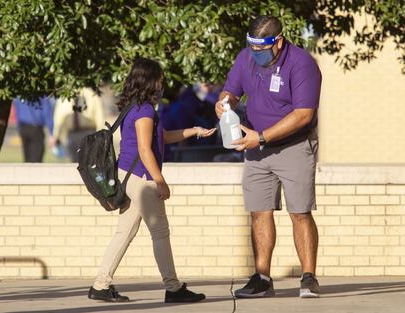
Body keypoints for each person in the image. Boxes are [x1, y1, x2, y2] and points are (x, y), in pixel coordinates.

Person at [88, 58, 215, 303]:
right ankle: (174, 288)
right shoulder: (145, 110)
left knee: (123, 232)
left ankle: (100, 286)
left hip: (127, 176)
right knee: (160, 232)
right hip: (142, 180)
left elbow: (161, 138)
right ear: (150, 80)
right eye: (160, 78)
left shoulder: (133, 107)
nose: (162, 82)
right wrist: (160, 181)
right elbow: (146, 150)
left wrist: (192, 131)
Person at [215, 16, 321, 298]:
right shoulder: (245, 58)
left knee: (299, 212)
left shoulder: (302, 64)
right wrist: (224, 103)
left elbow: (303, 114)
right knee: (259, 212)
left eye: (261, 50)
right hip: (256, 148)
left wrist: (262, 136)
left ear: (278, 42)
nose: (255, 55)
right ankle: (261, 277)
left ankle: (308, 277)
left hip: (294, 147)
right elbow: (231, 91)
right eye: (252, 49)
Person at [53, 87, 105, 162]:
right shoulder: (64, 95)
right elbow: (58, 117)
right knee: (73, 164)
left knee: (88, 162)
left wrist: (100, 136)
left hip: (88, 133)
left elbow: (99, 116)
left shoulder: (91, 94)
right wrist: (56, 135)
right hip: (71, 134)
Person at [12, 96, 55, 162]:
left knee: (27, 157)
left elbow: (17, 110)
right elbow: (47, 113)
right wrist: (51, 133)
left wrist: (18, 126)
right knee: (36, 159)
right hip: (36, 128)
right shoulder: (41, 96)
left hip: (23, 127)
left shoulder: (20, 95)